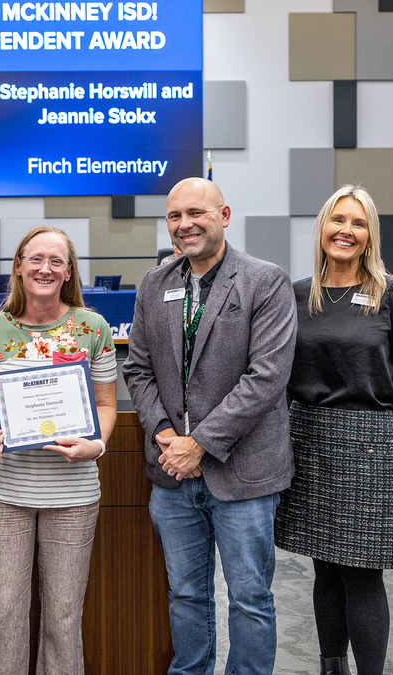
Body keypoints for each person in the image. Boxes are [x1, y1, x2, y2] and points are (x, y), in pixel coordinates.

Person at [122, 177, 297, 675]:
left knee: (249, 599)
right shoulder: (156, 283)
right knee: (186, 595)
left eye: (196, 213)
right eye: (175, 216)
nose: (184, 225)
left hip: (243, 475)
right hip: (172, 474)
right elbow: (138, 368)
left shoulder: (265, 281)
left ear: (223, 216)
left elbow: (266, 378)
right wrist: (164, 434)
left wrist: (199, 444)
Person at [274, 185, 393, 675]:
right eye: (337, 220)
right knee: (323, 565)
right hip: (308, 441)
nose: (346, 230)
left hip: (370, 444)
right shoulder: (297, 295)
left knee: (363, 573)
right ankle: (330, 667)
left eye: (358, 223)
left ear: (370, 236)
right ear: (322, 228)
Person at [0, 225, 118, 675]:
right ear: (18, 267)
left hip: (72, 497)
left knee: (64, 619)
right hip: (3, 492)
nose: (45, 268)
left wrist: (97, 444)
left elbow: (105, 404)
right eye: (35, 259)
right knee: (2, 615)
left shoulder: (93, 329)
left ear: (69, 271)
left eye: (56, 261)